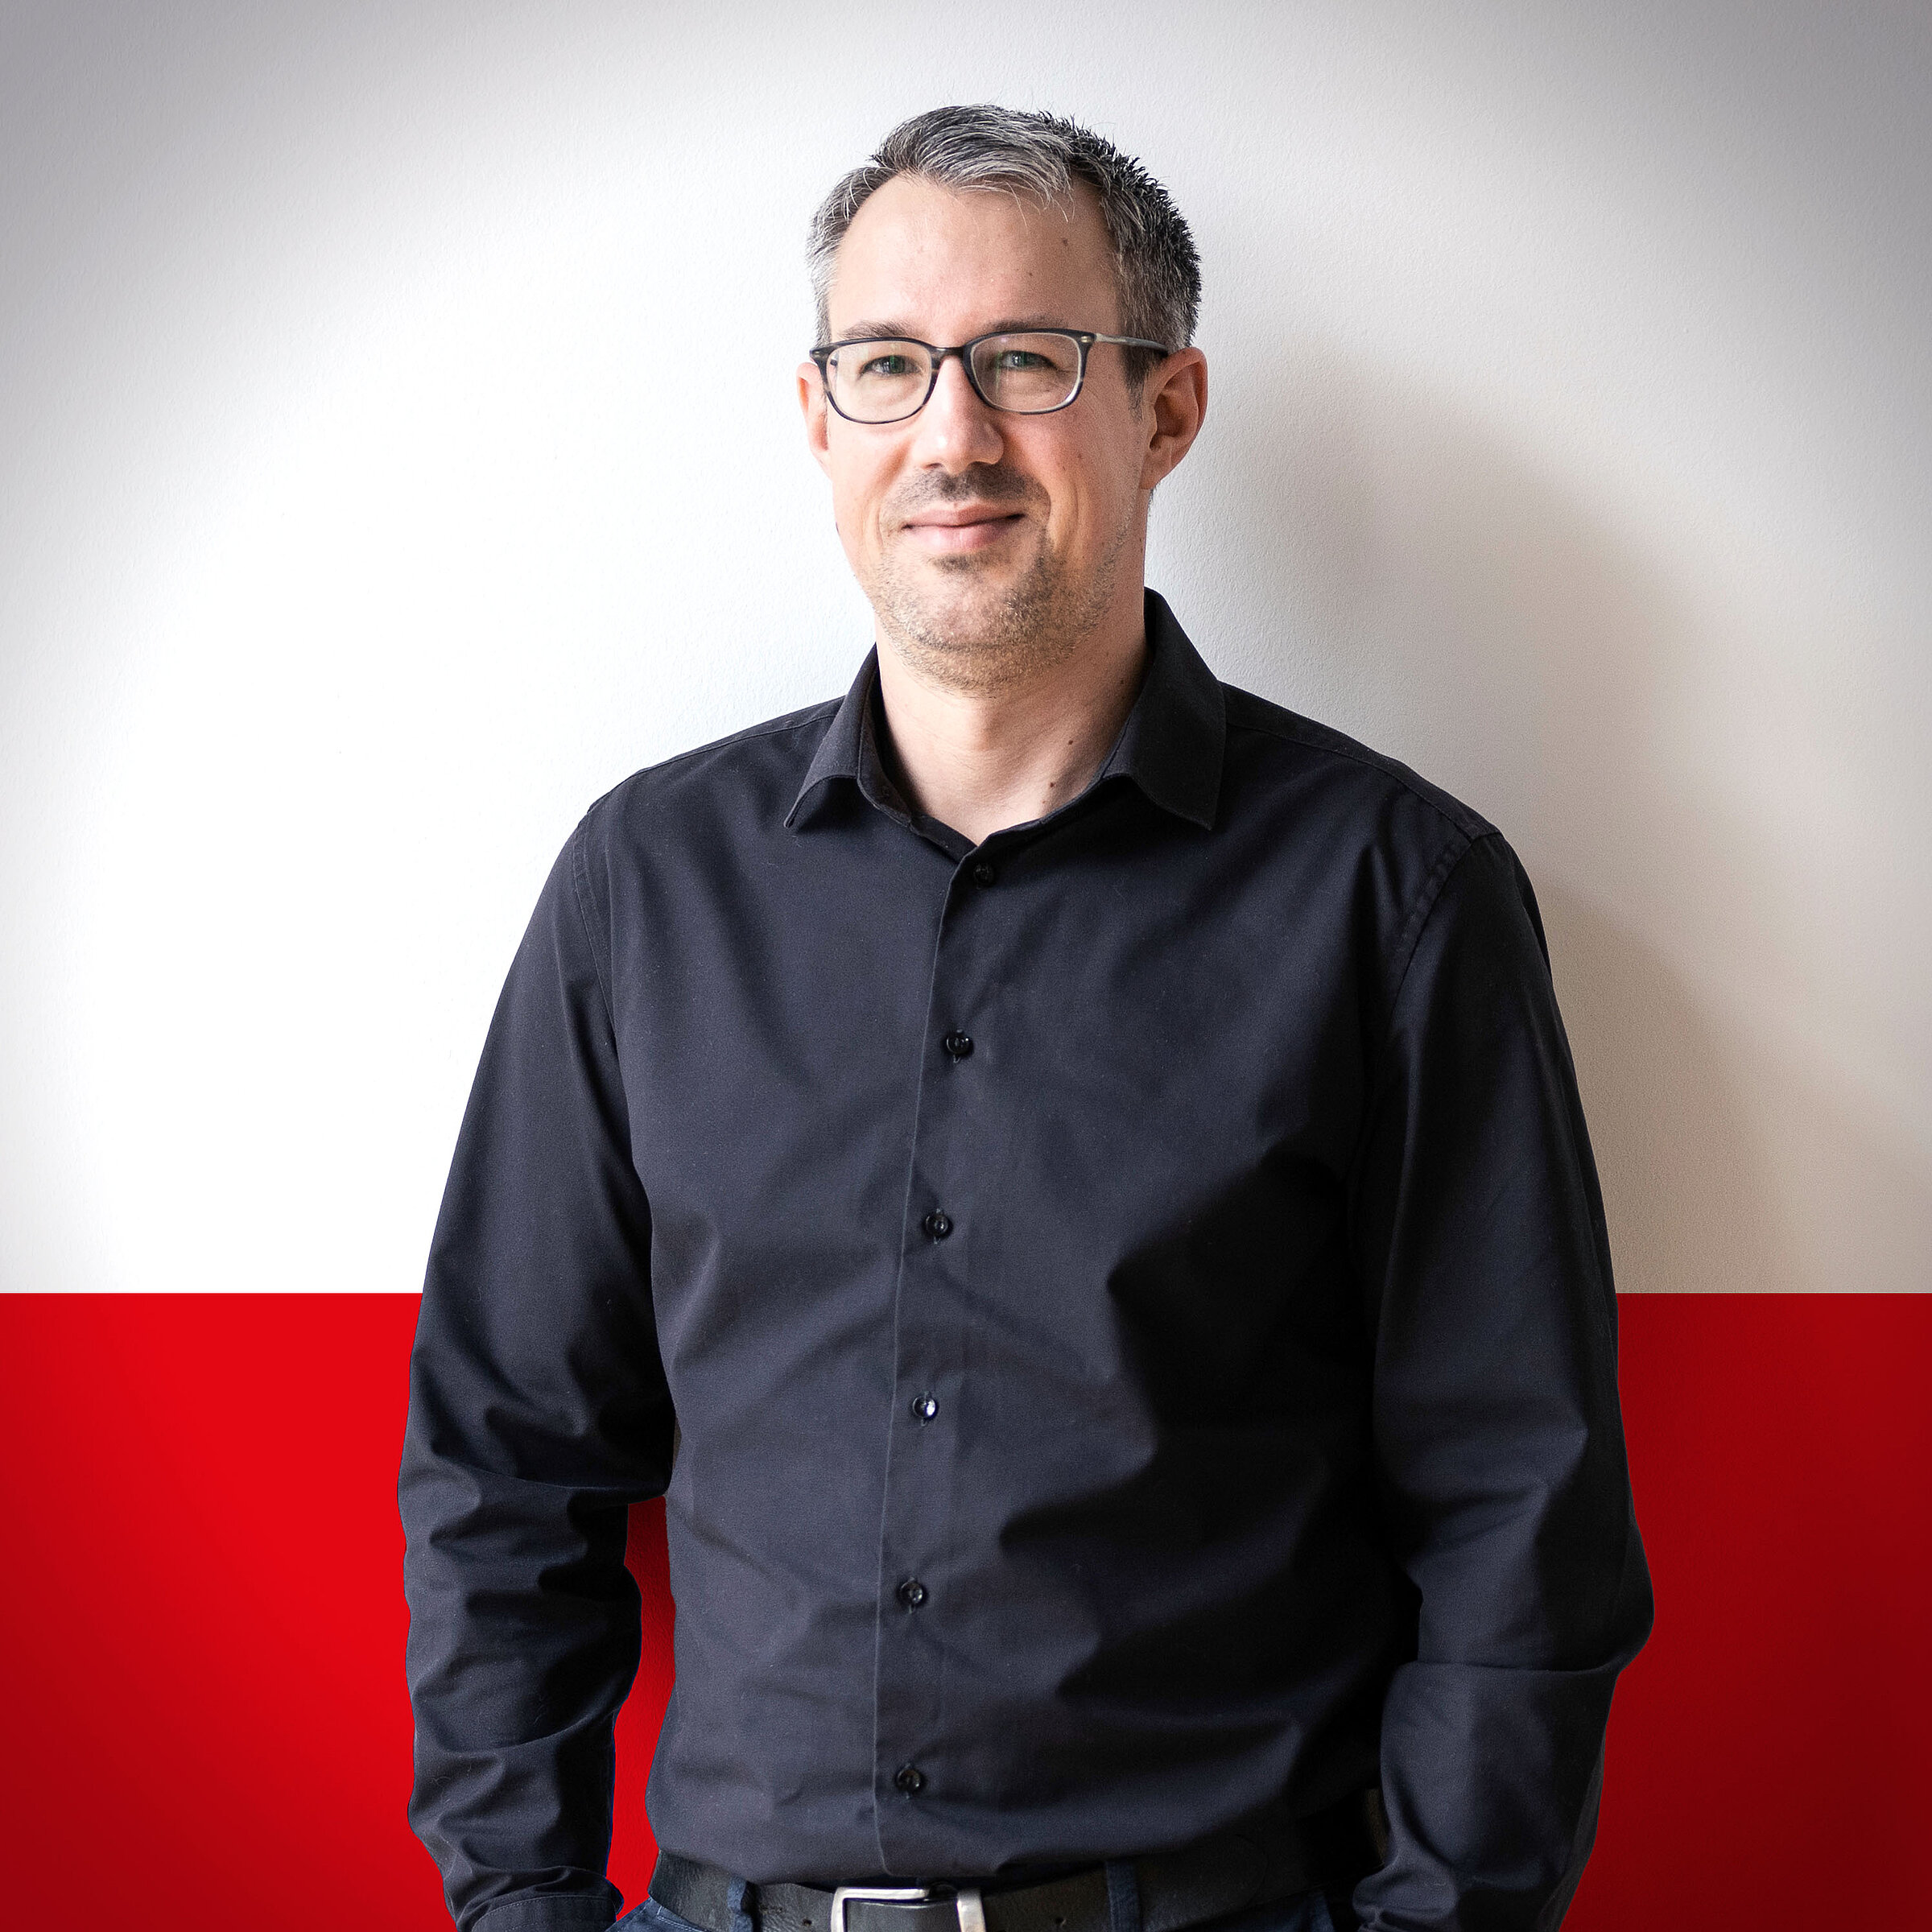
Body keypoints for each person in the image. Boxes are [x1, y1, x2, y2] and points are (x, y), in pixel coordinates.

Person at [400, 104, 1652, 1932]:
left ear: (1167, 407)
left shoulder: (1395, 898)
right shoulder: (643, 888)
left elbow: (1516, 1506)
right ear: (820, 418)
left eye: (1028, 362)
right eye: (891, 365)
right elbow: (505, 1465)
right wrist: (521, 1908)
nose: (952, 436)